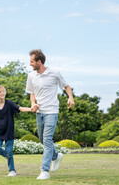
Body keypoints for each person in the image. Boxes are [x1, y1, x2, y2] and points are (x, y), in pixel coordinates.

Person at [25, 49, 75, 180]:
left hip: (52, 111)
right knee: (42, 139)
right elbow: (31, 92)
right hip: (39, 112)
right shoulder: (31, 76)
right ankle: (56, 156)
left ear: (39, 62)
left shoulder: (54, 73)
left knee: (47, 140)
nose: (30, 64)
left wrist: (70, 98)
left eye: (32, 61)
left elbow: (66, 86)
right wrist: (32, 103)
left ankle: (45, 171)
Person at [0, 85, 38, 177]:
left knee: (9, 151)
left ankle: (12, 171)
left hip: (9, 131)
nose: (2, 93)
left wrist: (30, 109)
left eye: (3, 91)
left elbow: (20, 108)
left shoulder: (10, 104)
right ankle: (7, 156)